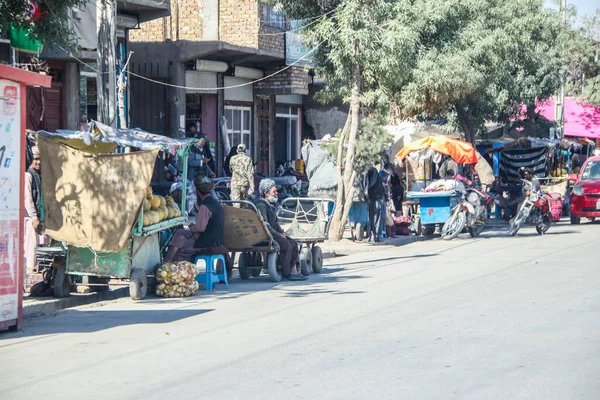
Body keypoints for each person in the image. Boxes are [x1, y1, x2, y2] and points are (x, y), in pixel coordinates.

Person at [255, 179, 307, 281]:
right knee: (286, 244)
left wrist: (280, 232)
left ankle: (293, 270)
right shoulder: (261, 205)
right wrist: (278, 234)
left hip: (272, 234)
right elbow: (265, 225)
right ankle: (287, 272)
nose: (276, 193)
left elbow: (275, 222)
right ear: (266, 193)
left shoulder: (269, 205)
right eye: (274, 191)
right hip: (266, 235)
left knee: (293, 243)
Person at [165, 176, 224, 262]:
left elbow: (200, 228)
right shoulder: (215, 203)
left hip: (207, 241)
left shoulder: (205, 206)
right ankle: (168, 259)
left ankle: (174, 263)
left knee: (181, 250)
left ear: (197, 191)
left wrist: (193, 229)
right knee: (180, 232)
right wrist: (194, 228)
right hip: (214, 238)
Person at [24, 146, 45, 273]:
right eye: (36, 159)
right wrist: (33, 217)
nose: (38, 162)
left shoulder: (38, 175)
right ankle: (30, 268)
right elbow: (27, 198)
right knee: (31, 243)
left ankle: (34, 267)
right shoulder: (28, 175)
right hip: (30, 217)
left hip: (36, 216)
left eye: (40, 159)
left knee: (37, 243)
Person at [364, 165, 386, 244]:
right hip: (374, 197)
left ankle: (374, 235)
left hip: (376, 197)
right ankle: (373, 235)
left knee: (375, 217)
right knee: (373, 217)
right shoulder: (372, 172)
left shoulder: (372, 173)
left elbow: (367, 185)